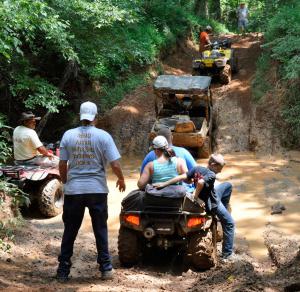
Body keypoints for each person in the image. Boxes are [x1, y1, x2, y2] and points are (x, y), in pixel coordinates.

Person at [56, 101, 126, 282]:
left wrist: (65, 182)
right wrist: (121, 178)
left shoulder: (68, 135)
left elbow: (62, 164)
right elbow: (115, 164)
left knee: (70, 230)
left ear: (81, 116)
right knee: (100, 229)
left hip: (74, 191)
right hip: (97, 190)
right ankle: (105, 268)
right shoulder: (103, 136)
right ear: (95, 117)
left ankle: (63, 270)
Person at [153, 154, 235, 261]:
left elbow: (182, 176)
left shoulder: (197, 169)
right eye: (220, 168)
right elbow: (201, 182)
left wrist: (164, 184)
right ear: (213, 165)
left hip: (212, 194)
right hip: (212, 202)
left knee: (227, 186)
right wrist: (195, 198)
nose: (220, 171)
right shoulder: (211, 175)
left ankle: (221, 217)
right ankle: (227, 255)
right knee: (230, 223)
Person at [141, 127, 196, 192]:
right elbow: (195, 173)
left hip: (157, 193)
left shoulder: (150, 158)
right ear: (172, 138)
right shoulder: (183, 154)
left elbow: (142, 182)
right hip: (181, 193)